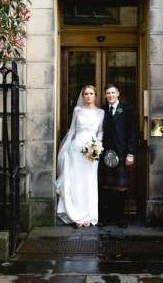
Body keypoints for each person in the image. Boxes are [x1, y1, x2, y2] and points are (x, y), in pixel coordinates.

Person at [56, 85, 105, 228]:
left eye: (91, 93)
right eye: (86, 94)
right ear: (83, 96)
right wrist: (67, 148)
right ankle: (75, 215)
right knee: (76, 180)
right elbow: (72, 130)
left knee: (89, 182)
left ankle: (89, 215)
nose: (89, 96)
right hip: (76, 149)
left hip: (92, 150)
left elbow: (100, 131)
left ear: (95, 95)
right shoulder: (77, 110)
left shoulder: (101, 112)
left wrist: (97, 145)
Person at [99, 83, 135, 228]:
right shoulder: (102, 111)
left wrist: (130, 153)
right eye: (108, 93)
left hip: (121, 153)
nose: (111, 95)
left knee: (121, 187)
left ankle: (120, 218)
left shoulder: (126, 110)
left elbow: (131, 132)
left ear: (118, 93)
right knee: (106, 186)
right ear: (105, 95)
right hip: (106, 154)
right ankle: (106, 217)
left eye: (113, 93)